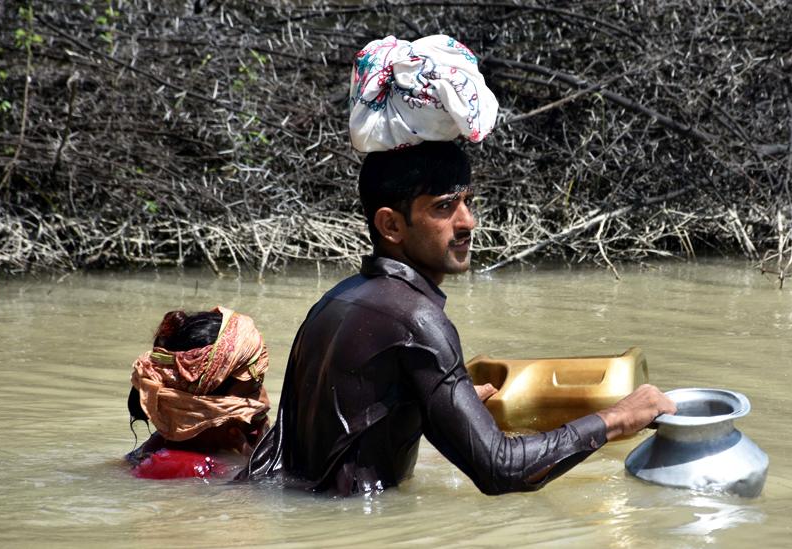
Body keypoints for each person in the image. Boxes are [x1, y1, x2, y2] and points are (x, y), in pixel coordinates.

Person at [238, 35, 676, 495]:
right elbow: (500, 470)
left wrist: (436, 404)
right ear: (391, 225)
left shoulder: (335, 302)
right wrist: (614, 419)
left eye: (468, 202)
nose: (467, 222)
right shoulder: (415, 318)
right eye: (444, 207)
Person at [126, 307, 270, 478]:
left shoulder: (155, 449)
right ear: (207, 404)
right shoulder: (188, 468)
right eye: (254, 389)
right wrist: (259, 465)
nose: (264, 402)